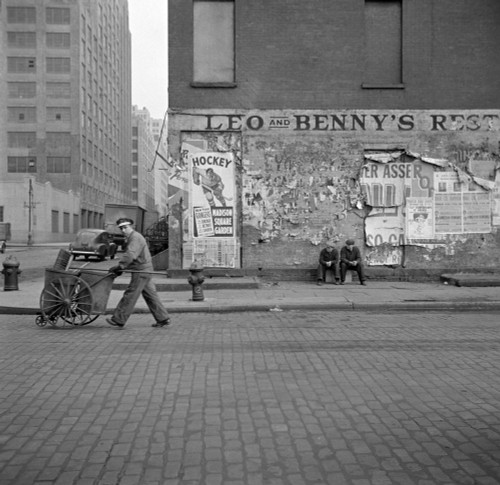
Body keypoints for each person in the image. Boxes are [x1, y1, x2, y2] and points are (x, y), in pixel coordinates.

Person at [106, 217, 171, 328]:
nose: (123, 230)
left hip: (141, 271)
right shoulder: (133, 237)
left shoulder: (135, 237)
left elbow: (131, 254)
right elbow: (134, 257)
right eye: (121, 228)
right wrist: (122, 268)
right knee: (151, 295)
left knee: (130, 294)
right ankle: (163, 318)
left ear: (131, 226)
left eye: (125, 227)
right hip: (144, 270)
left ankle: (119, 319)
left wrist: (120, 266)